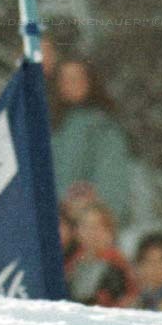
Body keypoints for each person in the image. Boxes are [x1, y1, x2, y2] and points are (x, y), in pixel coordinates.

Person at [50, 58, 131, 225]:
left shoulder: (103, 127)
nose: (70, 85)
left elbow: (112, 181)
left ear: (89, 82)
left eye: (76, 78)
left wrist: (93, 210)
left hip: (86, 221)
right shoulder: (50, 125)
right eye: (64, 79)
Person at [64, 201, 137, 308]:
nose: (91, 232)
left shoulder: (117, 263)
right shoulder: (74, 261)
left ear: (109, 231)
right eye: (85, 226)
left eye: (97, 226)